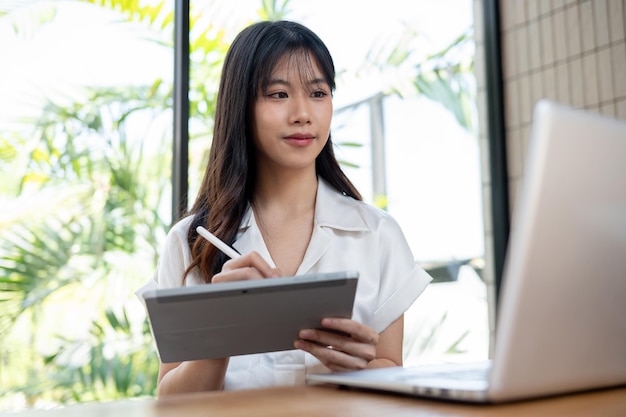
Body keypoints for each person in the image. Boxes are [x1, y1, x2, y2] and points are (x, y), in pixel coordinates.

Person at [147, 20, 432, 396]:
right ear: (241, 107)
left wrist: (361, 366)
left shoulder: (377, 235)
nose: (302, 113)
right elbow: (171, 401)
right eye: (278, 95)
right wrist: (221, 331)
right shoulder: (191, 243)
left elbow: (390, 369)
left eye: (318, 92)